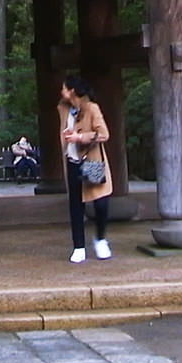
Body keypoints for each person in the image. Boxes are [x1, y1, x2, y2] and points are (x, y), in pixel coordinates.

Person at [58, 73, 114, 263]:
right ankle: (78, 246)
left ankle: (100, 238)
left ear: (72, 90)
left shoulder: (91, 108)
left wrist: (80, 137)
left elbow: (104, 134)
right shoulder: (64, 109)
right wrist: (68, 135)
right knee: (75, 206)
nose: (61, 91)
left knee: (100, 203)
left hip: (91, 161)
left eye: (64, 88)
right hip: (73, 161)